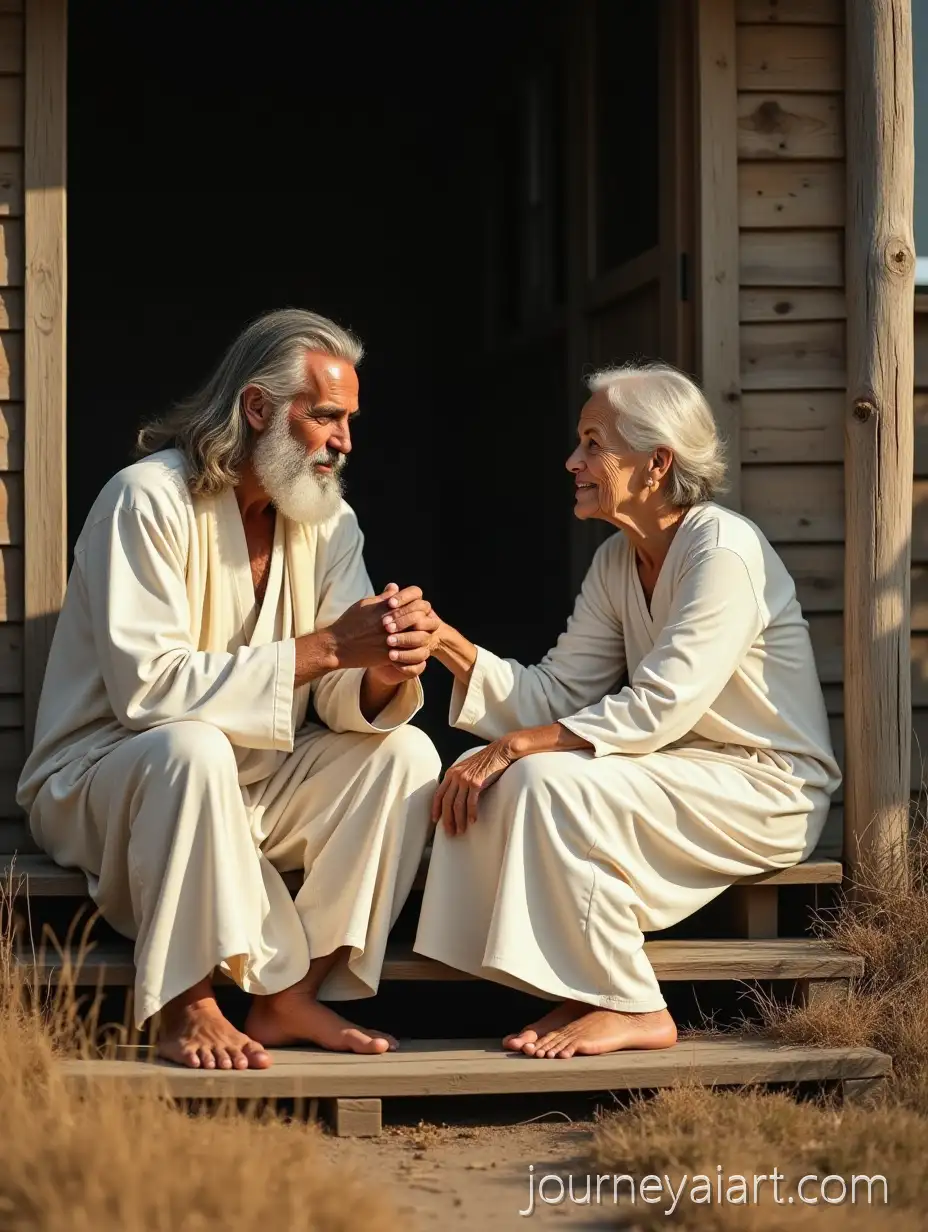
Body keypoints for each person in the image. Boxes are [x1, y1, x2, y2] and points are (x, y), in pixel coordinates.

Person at [16, 309, 442, 1071]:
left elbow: (338, 696)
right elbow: (147, 691)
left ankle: (290, 996)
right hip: (111, 772)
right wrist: (327, 648)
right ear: (258, 409)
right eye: (326, 417)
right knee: (191, 747)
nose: (345, 440)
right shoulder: (144, 500)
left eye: (349, 420)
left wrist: (379, 667)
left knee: (404, 755)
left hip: (253, 778)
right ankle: (187, 1000)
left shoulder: (326, 520)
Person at [407, 362, 842, 1059]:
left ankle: (636, 1006)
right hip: (672, 771)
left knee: (542, 777)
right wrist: (449, 646)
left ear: (656, 462)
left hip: (766, 786)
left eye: (592, 443)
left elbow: (661, 704)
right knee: (483, 769)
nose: (572, 460)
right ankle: (585, 987)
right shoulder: (618, 559)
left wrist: (520, 746)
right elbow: (555, 696)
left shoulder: (721, 549)